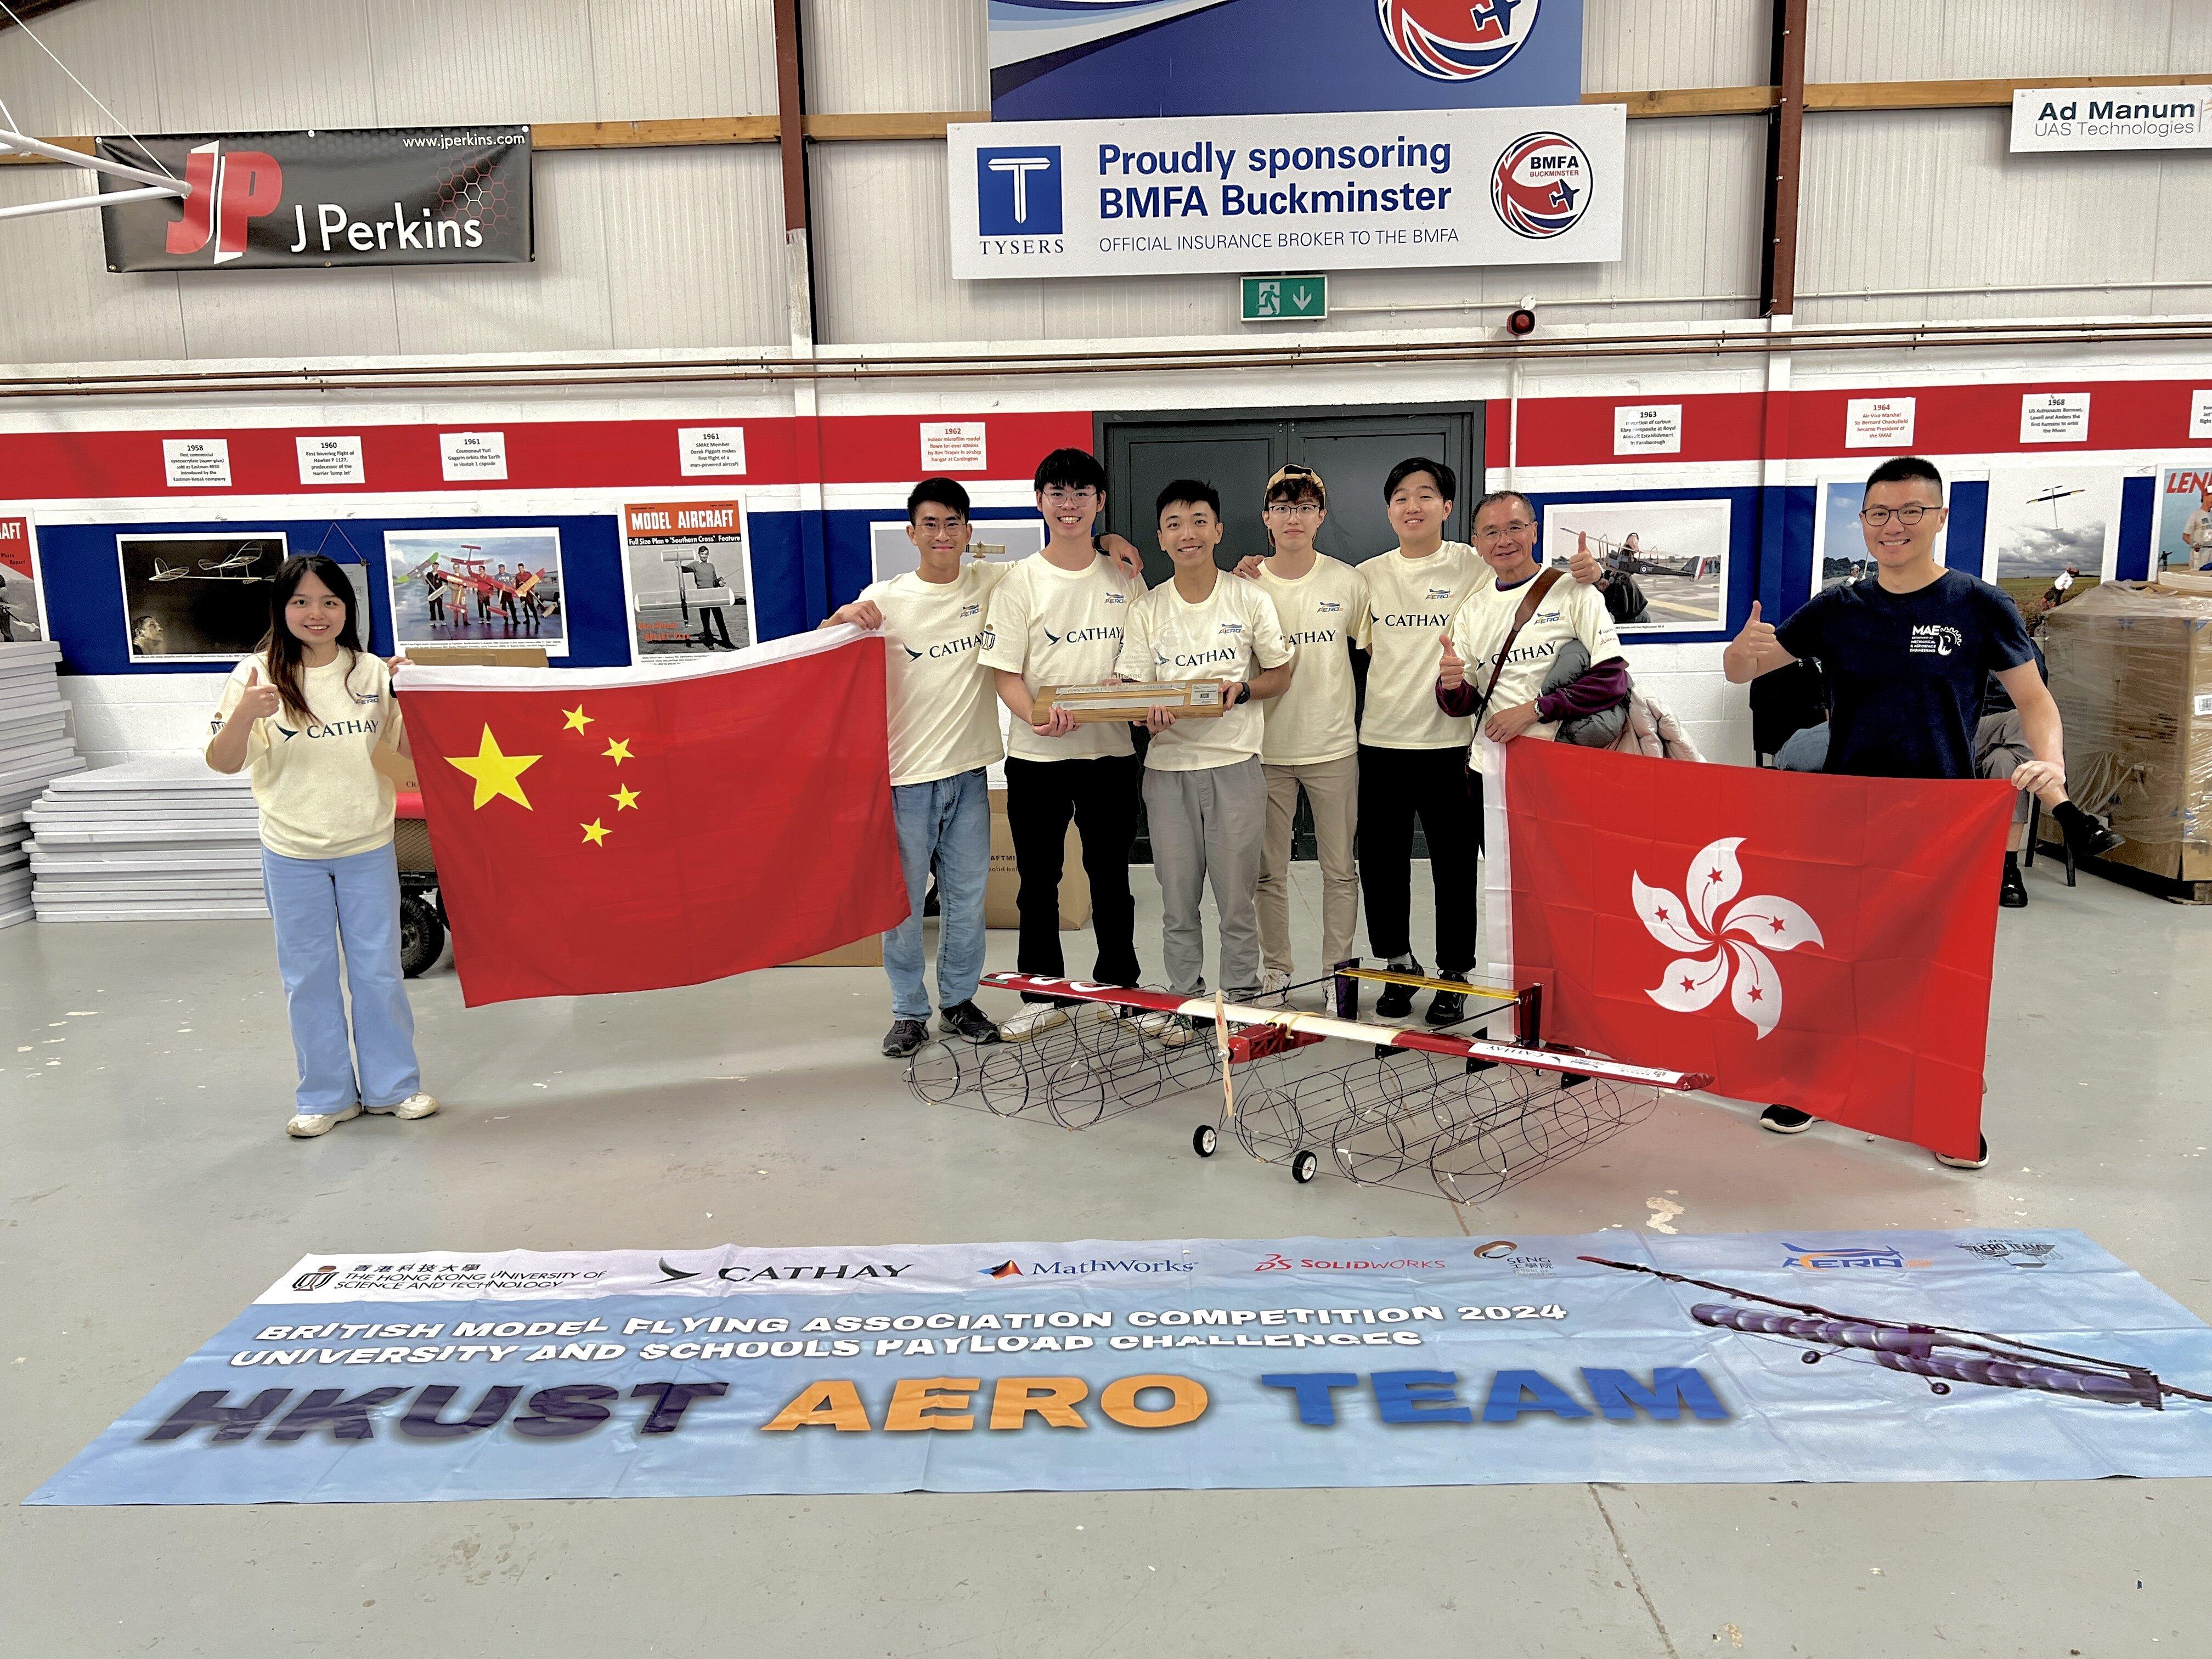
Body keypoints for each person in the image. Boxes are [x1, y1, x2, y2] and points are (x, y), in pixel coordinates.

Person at [1723, 455, 2115, 1169]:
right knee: (1832, 956)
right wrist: (1741, 655)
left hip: (1944, 815)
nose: (1893, 525)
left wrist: (2051, 762)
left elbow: (2034, 702)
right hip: (1850, 811)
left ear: (1939, 518)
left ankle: (1948, 1108)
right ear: (1863, 523)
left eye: (1910, 511)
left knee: (1941, 974)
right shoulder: (1838, 609)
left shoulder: (1979, 605)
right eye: (1879, 513)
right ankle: (1810, 1085)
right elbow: (1747, 668)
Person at [204, 555, 438, 1139]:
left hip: (367, 845)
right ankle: (326, 1095)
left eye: (330, 602)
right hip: (292, 851)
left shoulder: (371, 674)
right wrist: (243, 717)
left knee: (379, 973)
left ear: (347, 610)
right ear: (281, 610)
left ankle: (393, 1087)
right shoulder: (255, 675)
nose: (316, 613)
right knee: (307, 977)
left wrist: (413, 694)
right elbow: (224, 762)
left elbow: (404, 753)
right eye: (302, 602)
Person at [822, 478, 1005, 1057]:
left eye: (953, 523)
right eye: (931, 524)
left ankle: (958, 1003)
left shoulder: (992, 583)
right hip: (904, 781)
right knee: (900, 907)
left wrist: (1113, 543)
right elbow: (822, 652)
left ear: (969, 532)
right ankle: (908, 1011)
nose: (943, 534)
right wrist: (838, 619)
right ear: (912, 533)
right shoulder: (886, 598)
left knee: (966, 899)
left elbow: (1062, 568)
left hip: (970, 774)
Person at [978, 448, 1150, 1040]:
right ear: (1040, 503)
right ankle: (1042, 991)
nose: (1069, 505)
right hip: (1038, 757)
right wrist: (1034, 717)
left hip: (1110, 755)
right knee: (1038, 880)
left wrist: (1127, 690)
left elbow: (1144, 654)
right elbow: (1004, 671)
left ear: (1100, 502)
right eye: (1058, 493)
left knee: (1111, 878)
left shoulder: (1125, 575)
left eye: (1082, 493)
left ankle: (1119, 985)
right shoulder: (1019, 582)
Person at [1116, 480, 1294, 1036]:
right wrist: (1145, 713)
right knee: (1177, 902)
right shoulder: (1147, 609)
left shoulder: (1249, 599)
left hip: (1235, 764)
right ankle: (1185, 1001)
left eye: (1198, 520)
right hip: (1167, 772)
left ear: (1217, 530)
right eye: (1174, 523)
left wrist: (1241, 691)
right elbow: (1132, 691)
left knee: (1237, 899)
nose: (1187, 533)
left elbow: (1281, 674)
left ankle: (1240, 1003)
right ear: (1161, 539)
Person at [1248, 464, 1367, 1006]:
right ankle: (1277, 969)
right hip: (1265, 751)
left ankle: (1337, 971)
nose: (1292, 518)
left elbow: (1371, 656)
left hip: (1333, 748)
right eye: (1282, 507)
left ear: (1320, 517)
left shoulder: (1348, 581)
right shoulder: (1246, 584)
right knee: (1268, 872)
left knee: (1340, 870)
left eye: (1303, 507)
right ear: (1266, 517)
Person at [1435, 492, 1630, 760]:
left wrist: (1534, 710)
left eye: (1515, 528)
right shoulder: (1472, 610)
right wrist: (1451, 686)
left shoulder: (1576, 593)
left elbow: (1612, 681)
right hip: (1492, 763)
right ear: (1477, 544)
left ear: (1534, 532)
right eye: (1491, 533)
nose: (1504, 541)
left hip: (1560, 759)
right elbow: (1464, 705)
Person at [1977, 645, 2124, 907]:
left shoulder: (2024, 648)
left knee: (2007, 763)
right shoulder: (1959, 636)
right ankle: (2070, 818)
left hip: (2005, 746)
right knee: (2022, 724)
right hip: (1962, 735)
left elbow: (2037, 702)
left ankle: (2006, 869)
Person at [681, 546, 736, 650]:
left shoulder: (711, 566)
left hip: (713, 595)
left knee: (720, 620)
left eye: (706, 554)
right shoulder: (695, 565)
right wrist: (678, 565)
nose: (704, 556)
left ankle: (727, 642)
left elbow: (714, 581)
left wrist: (720, 584)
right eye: (702, 554)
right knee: (706, 622)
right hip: (702, 596)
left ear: (708, 555)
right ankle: (709, 642)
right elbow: (684, 570)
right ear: (699, 554)